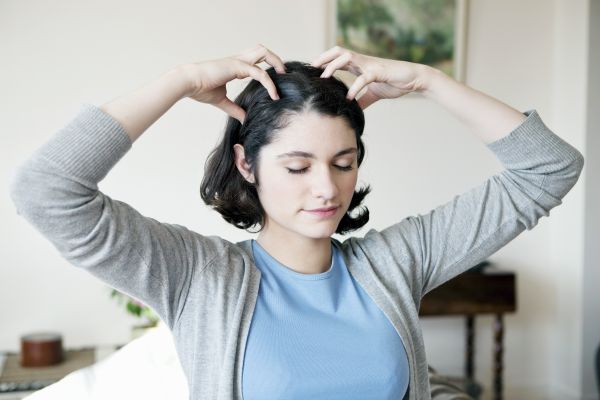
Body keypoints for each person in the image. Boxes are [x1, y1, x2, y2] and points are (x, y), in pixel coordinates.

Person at [9, 44, 584, 400]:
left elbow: (550, 169)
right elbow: (47, 191)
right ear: (246, 163)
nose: (326, 188)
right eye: (297, 165)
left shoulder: (394, 263)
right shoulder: (195, 276)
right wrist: (181, 80)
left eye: (343, 163)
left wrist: (430, 82)